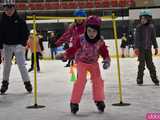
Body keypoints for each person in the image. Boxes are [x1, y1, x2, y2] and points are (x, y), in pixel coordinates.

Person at [56, 16, 111, 114]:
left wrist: (106, 60)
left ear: (98, 31)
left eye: (94, 32)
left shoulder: (100, 41)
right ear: (86, 30)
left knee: (98, 81)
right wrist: (64, 55)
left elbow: (104, 52)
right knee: (80, 80)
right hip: (82, 62)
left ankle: (99, 100)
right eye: (89, 31)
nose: (91, 34)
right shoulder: (81, 39)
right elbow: (73, 49)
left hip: (94, 63)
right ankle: (74, 102)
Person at [0, 0, 32, 94]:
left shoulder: (20, 20)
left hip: (18, 45)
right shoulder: (2, 20)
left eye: (10, 8)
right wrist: (0, 46)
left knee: (21, 64)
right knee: (6, 65)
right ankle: (4, 83)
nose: (8, 11)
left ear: (14, 8)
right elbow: (0, 34)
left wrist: (22, 44)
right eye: (6, 8)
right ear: (4, 9)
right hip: (6, 45)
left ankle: (27, 83)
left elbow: (26, 33)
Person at [134, 10, 159, 86]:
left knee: (150, 64)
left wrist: (156, 47)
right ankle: (139, 79)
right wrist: (136, 48)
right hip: (141, 49)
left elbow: (153, 38)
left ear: (148, 19)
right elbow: (137, 38)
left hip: (148, 49)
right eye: (141, 18)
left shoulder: (151, 27)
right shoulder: (139, 27)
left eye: (144, 18)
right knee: (141, 64)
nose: (142, 20)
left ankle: (154, 78)